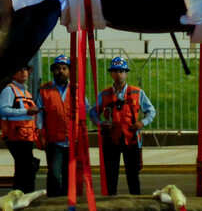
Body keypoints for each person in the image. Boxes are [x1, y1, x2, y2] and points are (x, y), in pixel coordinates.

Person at [90, 56, 156, 195]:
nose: (118, 74)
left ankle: (136, 205)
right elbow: (93, 112)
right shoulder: (105, 93)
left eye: (121, 71)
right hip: (110, 139)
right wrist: (101, 124)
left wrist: (141, 123)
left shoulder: (137, 92)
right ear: (111, 74)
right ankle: (110, 205)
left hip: (131, 138)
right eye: (115, 71)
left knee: (133, 175)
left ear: (126, 73)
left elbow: (151, 111)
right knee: (110, 175)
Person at [36, 54, 80, 197]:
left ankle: (67, 203)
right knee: (54, 174)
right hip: (54, 140)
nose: (61, 71)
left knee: (69, 175)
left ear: (69, 71)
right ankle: (53, 201)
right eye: (58, 68)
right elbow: (39, 114)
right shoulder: (44, 90)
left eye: (64, 68)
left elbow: (84, 110)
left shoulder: (76, 89)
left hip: (73, 140)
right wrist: (40, 133)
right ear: (53, 71)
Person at [0, 64, 39, 193]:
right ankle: (21, 194)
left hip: (26, 136)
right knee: (25, 167)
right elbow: (3, 110)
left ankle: (24, 194)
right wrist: (25, 111)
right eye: (19, 69)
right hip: (15, 136)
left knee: (27, 167)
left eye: (25, 69)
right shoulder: (9, 90)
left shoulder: (25, 92)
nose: (23, 72)